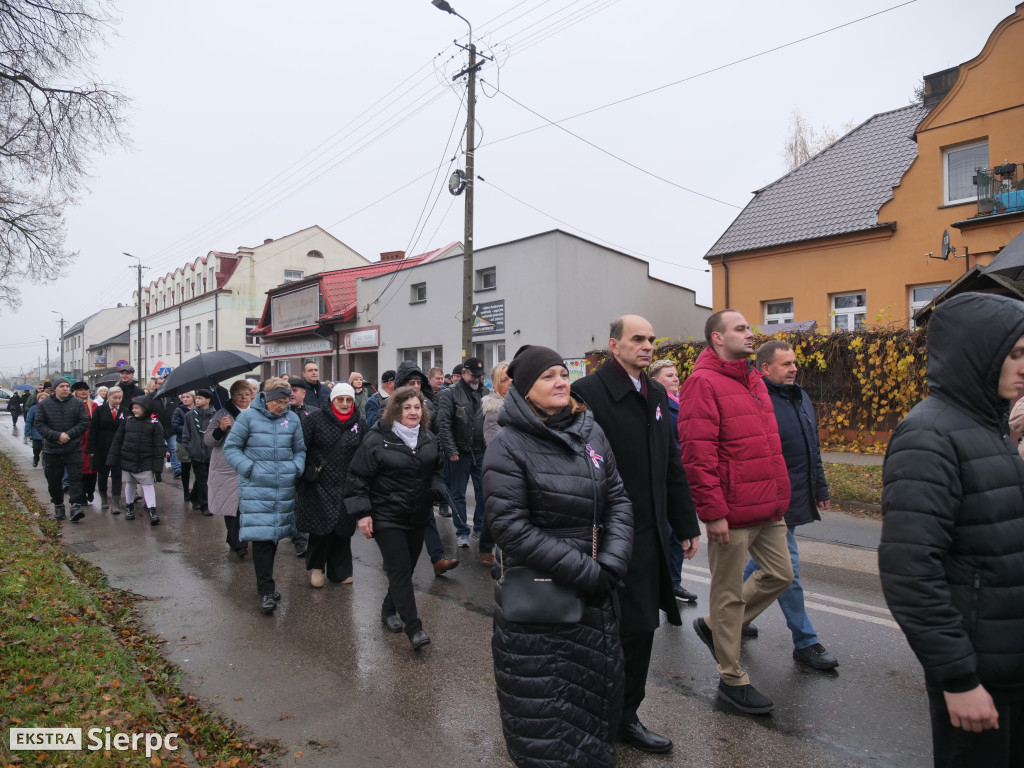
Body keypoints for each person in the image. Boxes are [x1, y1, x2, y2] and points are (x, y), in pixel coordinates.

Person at [879, 292, 1024, 768]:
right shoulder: (928, 435)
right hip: (981, 671)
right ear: (976, 352)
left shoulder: (993, 427)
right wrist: (958, 680)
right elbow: (910, 572)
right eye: (1015, 353)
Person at [484, 345, 634, 768]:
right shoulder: (508, 445)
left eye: (563, 374)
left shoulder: (591, 431)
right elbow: (510, 528)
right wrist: (587, 571)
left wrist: (613, 561)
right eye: (549, 376)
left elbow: (618, 498)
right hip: (544, 602)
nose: (562, 382)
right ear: (525, 389)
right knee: (547, 713)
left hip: (596, 595)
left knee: (596, 699)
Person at [572, 315, 700, 753]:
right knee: (601, 630)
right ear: (614, 344)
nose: (647, 346)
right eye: (637, 339)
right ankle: (592, 715)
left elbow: (671, 463)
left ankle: (627, 716)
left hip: (648, 534)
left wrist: (684, 523)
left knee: (642, 628)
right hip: (601, 533)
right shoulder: (586, 395)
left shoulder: (657, 393)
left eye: (651, 340)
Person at [678, 310, 792, 715]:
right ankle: (732, 678)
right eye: (741, 329)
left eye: (748, 327)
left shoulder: (755, 380)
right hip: (730, 512)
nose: (750, 333)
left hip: (768, 506)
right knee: (726, 594)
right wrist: (712, 512)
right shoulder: (701, 383)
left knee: (781, 574)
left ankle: (712, 626)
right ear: (716, 339)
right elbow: (697, 455)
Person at [742, 341, 838, 670]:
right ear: (765, 369)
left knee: (763, 565)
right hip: (771, 499)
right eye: (785, 364)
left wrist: (819, 486)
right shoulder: (755, 399)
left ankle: (729, 616)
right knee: (787, 570)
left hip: (796, 494)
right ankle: (805, 641)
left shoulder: (799, 396)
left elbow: (811, 446)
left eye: (794, 363)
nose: (794, 368)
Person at [345, 386, 445, 649]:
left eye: (417, 407)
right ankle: (414, 629)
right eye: (407, 407)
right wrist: (363, 513)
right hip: (386, 515)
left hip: (418, 515)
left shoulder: (427, 437)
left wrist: (436, 487)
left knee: (406, 568)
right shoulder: (378, 439)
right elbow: (358, 478)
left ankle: (388, 610)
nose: (413, 412)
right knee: (400, 570)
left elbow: (436, 468)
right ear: (396, 410)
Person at [223, 377, 306, 615]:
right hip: (257, 488)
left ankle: (266, 584)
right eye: (279, 401)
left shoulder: (292, 419)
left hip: (283, 487)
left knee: (275, 536)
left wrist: (296, 468)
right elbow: (231, 448)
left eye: (286, 401)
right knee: (261, 539)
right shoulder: (248, 417)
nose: (283, 406)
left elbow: (300, 449)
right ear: (267, 399)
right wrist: (250, 468)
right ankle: (266, 591)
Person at [394, 360, 460, 575]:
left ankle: (438, 559)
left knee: (426, 516)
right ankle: (396, 563)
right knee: (398, 522)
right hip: (396, 474)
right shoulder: (390, 407)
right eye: (410, 382)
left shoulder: (428, 405)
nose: (415, 386)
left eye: (417, 382)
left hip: (421, 471)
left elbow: (435, 435)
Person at [295, 383, 363, 587]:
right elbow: (301, 448)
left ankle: (340, 571)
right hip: (319, 483)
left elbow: (364, 454)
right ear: (332, 400)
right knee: (321, 529)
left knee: (342, 530)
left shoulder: (359, 423)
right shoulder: (314, 420)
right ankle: (317, 568)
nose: (344, 403)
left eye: (348, 400)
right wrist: (303, 474)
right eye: (340, 399)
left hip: (346, 484)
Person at [647, 359, 699, 604]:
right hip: (666, 476)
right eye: (669, 376)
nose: (676, 378)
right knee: (665, 533)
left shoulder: (684, 402)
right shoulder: (657, 406)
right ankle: (661, 583)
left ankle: (673, 582)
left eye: (676, 374)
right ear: (655, 381)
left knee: (678, 532)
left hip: (683, 477)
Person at [436, 357, 490, 550]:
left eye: (479, 376)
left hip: (481, 451)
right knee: (457, 493)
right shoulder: (449, 394)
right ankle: (462, 532)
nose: (477, 379)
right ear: (464, 373)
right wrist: (450, 450)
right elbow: (443, 425)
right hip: (459, 453)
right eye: (473, 375)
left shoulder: (485, 391)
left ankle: (480, 526)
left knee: (484, 491)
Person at [205, 381, 255, 560]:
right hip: (228, 467)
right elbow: (209, 441)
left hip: (250, 465)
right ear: (232, 396)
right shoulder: (221, 414)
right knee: (231, 505)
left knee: (247, 505)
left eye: (247, 394)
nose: (243, 398)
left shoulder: (256, 413)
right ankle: (239, 544)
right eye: (239, 394)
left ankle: (235, 537)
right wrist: (220, 429)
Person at [35, 377, 90, 522]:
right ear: (55, 389)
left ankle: (75, 506)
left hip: (73, 448)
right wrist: (57, 436)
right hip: (52, 450)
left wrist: (68, 435)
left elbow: (84, 422)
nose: (65, 388)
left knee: (76, 478)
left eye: (67, 386)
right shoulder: (45, 404)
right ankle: (58, 506)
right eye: (62, 386)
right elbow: (40, 424)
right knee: (54, 480)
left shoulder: (77, 403)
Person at [107, 395, 165, 525]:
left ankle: (152, 510)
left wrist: (157, 467)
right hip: (128, 458)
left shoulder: (154, 424)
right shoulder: (127, 421)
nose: (134, 410)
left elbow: (159, 446)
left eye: (137, 408)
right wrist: (111, 459)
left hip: (145, 460)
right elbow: (117, 441)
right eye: (133, 408)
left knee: (148, 484)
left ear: (145, 408)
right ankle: (129, 507)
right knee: (130, 483)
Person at [87, 386, 125, 513]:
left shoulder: (125, 411)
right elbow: (93, 429)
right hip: (102, 445)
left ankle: (115, 502)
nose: (117, 401)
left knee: (117, 474)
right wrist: (91, 448)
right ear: (108, 397)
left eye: (120, 398)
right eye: (115, 398)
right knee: (102, 472)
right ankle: (104, 498)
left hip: (118, 446)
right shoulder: (100, 410)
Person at [181, 389, 215, 514]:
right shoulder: (190, 415)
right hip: (196, 453)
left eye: (200, 398)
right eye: (197, 398)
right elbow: (186, 434)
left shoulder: (215, 415)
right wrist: (190, 449)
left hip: (211, 452)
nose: (197, 400)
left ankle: (194, 496)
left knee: (206, 478)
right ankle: (205, 505)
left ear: (208, 400)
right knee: (202, 479)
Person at [71, 382, 99, 504]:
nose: (84, 392)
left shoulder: (93, 405)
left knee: (92, 470)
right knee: (79, 471)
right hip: (76, 441)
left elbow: (97, 423)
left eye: (86, 389)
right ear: (75, 391)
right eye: (81, 389)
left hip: (90, 441)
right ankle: (81, 495)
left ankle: (90, 490)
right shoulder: (71, 405)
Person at [171, 392, 195, 504]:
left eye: (188, 397)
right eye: (183, 397)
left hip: (197, 443)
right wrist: (188, 428)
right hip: (183, 442)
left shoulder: (198, 409)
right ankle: (186, 491)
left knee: (199, 469)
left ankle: (195, 491)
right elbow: (175, 425)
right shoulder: (178, 410)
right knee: (185, 468)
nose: (185, 399)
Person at [482, 361, 510, 445]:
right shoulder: (494, 415)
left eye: (512, 377)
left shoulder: (526, 405)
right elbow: (497, 451)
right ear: (495, 387)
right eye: (504, 380)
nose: (511, 382)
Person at [25, 393, 47, 468]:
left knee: (45, 450)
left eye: (45, 398)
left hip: (47, 433)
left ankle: (44, 463)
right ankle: (36, 458)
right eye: (41, 398)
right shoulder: (33, 408)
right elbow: (29, 421)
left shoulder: (50, 408)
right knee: (36, 448)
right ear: (38, 399)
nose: (43, 400)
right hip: (36, 432)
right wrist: (27, 432)